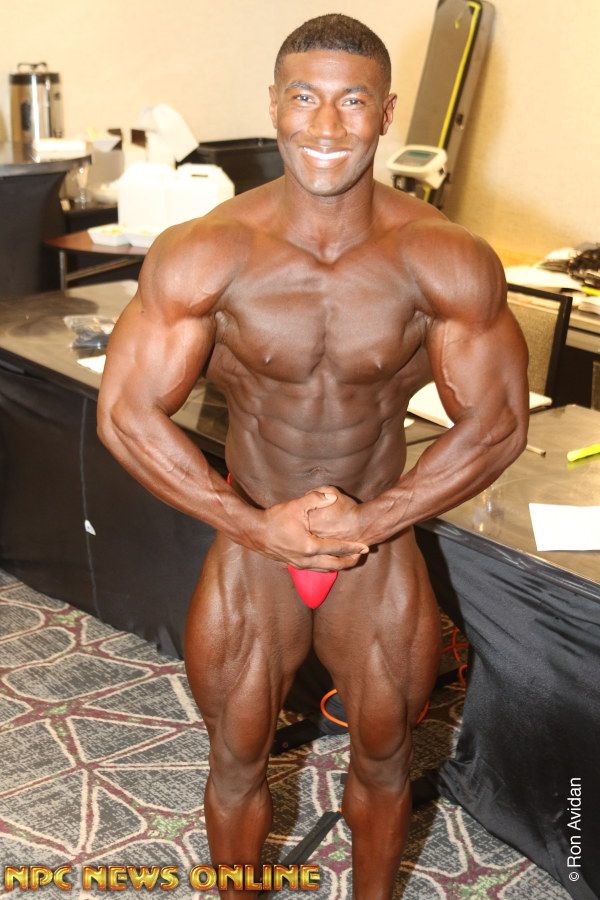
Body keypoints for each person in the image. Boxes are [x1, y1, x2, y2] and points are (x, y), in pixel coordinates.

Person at [97, 13, 529, 898]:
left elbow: (496, 422)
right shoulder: (208, 252)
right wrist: (253, 524)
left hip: (377, 545)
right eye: (304, 97)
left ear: (386, 114)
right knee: (235, 756)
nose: (326, 125)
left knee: (385, 757)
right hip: (254, 543)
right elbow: (126, 414)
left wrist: (375, 518)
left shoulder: (442, 257)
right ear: (274, 105)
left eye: (353, 102)